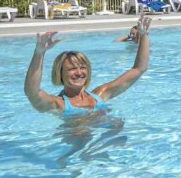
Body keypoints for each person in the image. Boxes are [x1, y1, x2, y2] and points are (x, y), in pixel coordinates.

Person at [24, 14, 152, 115]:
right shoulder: (58, 104)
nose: (79, 73)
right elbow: (32, 92)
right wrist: (39, 53)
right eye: (72, 69)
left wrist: (144, 35)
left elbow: (139, 68)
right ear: (60, 73)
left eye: (83, 67)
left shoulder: (101, 94)